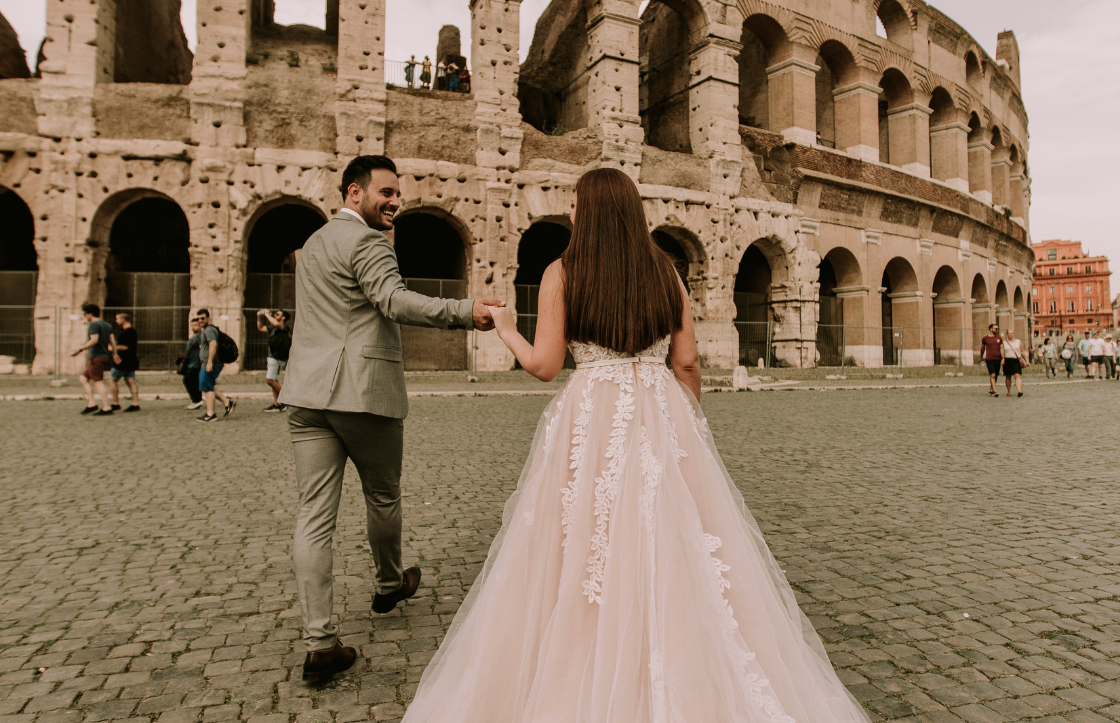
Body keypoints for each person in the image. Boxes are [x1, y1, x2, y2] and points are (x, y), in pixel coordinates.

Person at [402, 167, 872, 723]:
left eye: (576, 204)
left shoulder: (562, 273)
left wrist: (506, 326)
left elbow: (545, 366)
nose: (572, 212)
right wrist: (685, 422)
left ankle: (585, 652)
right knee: (677, 539)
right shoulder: (666, 273)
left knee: (579, 540)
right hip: (659, 409)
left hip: (592, 414)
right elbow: (688, 361)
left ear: (591, 212)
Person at [277, 155, 503, 680]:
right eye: (385, 192)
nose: (395, 202)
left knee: (313, 516)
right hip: (361, 391)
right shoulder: (369, 242)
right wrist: (463, 311)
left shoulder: (312, 244)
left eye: (397, 194)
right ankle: (387, 584)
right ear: (354, 193)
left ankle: (319, 641)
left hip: (306, 392)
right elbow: (393, 301)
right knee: (382, 494)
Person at [70, 303, 113, 415]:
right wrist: (115, 353)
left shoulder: (94, 325)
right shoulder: (107, 325)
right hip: (101, 356)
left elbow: (94, 340)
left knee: (98, 382)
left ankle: (107, 407)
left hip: (96, 357)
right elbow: (112, 340)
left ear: (90, 314)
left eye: (85, 314)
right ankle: (91, 404)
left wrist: (79, 349)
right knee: (83, 378)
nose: (84, 316)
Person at [196, 309, 235, 422]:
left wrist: (209, 362)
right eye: (198, 318)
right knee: (208, 385)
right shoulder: (207, 330)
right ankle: (227, 403)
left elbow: (213, 344)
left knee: (206, 387)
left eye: (202, 318)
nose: (200, 320)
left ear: (208, 318)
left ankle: (210, 414)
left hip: (211, 363)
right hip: (209, 363)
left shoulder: (209, 330)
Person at [257, 308, 291, 412]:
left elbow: (277, 324)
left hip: (276, 357)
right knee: (274, 380)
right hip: (274, 357)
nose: (275, 315)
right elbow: (261, 327)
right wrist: (259, 317)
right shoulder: (273, 329)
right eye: (275, 314)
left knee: (270, 380)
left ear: (283, 317)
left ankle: (286, 400)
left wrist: (267, 315)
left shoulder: (283, 326)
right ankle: (276, 404)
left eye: (278, 314)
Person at [108, 312, 140, 411]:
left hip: (122, 362)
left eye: (117, 319)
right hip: (131, 361)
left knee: (112, 380)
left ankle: (115, 403)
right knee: (130, 381)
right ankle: (135, 403)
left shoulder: (127, 332)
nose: (116, 321)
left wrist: (112, 348)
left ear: (122, 320)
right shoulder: (132, 331)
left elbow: (125, 346)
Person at [180, 317, 204, 409]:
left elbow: (203, 348)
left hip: (195, 364)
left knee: (187, 380)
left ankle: (196, 400)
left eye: (195, 325)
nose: (193, 327)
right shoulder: (194, 336)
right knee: (194, 382)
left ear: (200, 326)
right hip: (190, 363)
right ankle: (197, 400)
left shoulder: (199, 337)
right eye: (192, 325)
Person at [980, 323, 1003, 396]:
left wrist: (1003, 358)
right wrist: (981, 356)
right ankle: (996, 391)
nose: (997, 330)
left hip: (998, 358)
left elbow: (1002, 348)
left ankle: (991, 389)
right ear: (991, 329)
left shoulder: (999, 338)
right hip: (989, 358)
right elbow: (982, 348)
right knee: (992, 374)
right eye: (996, 329)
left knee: (996, 375)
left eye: (998, 329)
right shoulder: (985, 338)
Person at [1001, 328, 1024, 397]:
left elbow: (1022, 351)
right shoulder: (1004, 342)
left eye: (1012, 333)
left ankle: (1019, 391)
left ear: (1014, 334)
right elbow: (1002, 350)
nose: (1010, 335)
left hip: (1016, 360)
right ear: (1007, 334)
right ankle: (1009, 391)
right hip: (1007, 360)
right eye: (1009, 333)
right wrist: (1003, 358)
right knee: (1008, 376)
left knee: (1017, 375)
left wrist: (1026, 360)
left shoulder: (1018, 341)